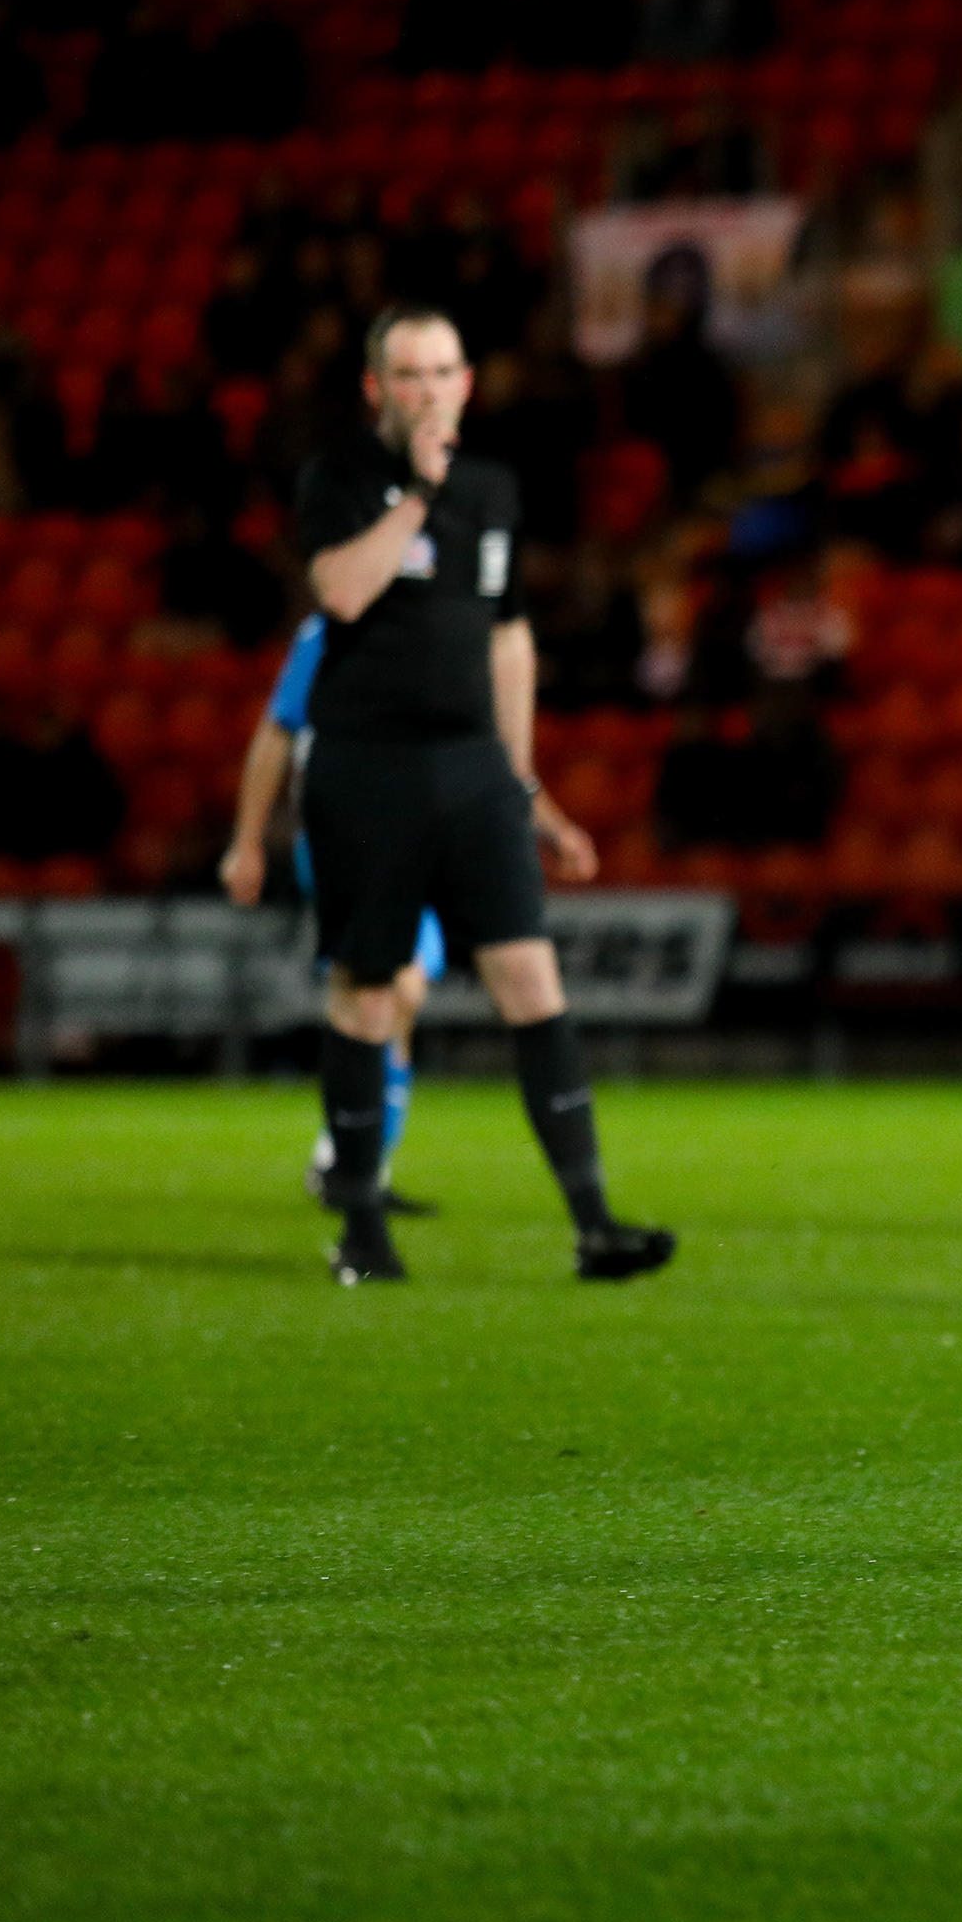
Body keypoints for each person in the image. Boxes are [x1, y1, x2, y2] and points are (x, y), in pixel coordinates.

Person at [293, 306, 674, 1287]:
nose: (428, 391)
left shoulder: (494, 489)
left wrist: (524, 780)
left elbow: (508, 638)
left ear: (467, 382)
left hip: (472, 771)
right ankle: (362, 1229)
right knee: (368, 993)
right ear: (376, 389)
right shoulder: (340, 478)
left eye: (443, 372)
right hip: (368, 768)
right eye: (408, 374)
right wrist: (418, 496)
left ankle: (594, 1225)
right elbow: (341, 591)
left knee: (533, 982)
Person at [223, 611, 447, 1217]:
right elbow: (278, 730)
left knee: (401, 1003)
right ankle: (344, 1161)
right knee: (387, 986)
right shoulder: (327, 633)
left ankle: (360, 1163)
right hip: (345, 835)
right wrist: (247, 841)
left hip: (421, 836)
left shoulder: (439, 623)